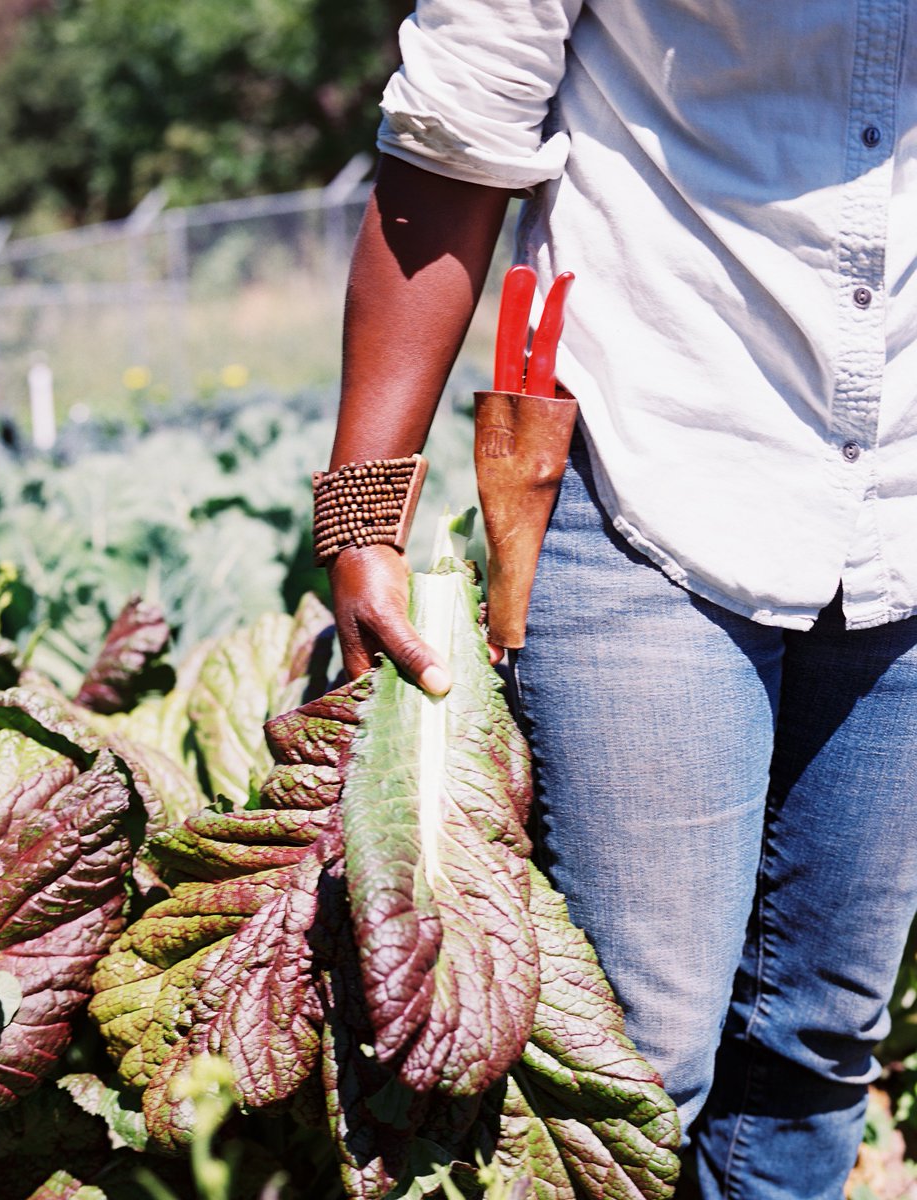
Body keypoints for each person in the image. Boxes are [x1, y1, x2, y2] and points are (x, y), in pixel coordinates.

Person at [320, 3, 917, 1197]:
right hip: (651, 465)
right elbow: (456, 130)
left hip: (901, 505)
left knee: (815, 1046)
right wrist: (360, 514)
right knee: (636, 1061)